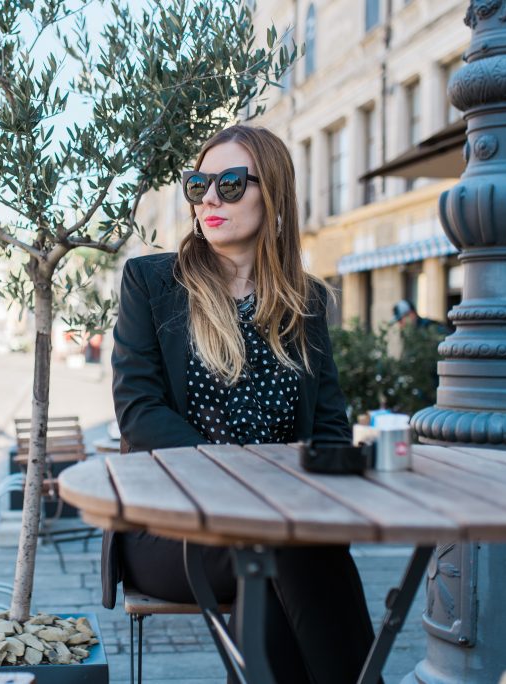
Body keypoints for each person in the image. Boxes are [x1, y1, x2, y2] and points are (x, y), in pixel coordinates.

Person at [104, 124, 377, 683]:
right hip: (174, 526)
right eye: (198, 184)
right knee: (290, 544)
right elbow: (139, 411)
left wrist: (329, 489)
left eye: (229, 184)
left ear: (271, 194)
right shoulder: (151, 282)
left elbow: (329, 424)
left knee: (284, 551)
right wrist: (242, 480)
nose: (208, 198)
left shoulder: (305, 301)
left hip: (284, 520)